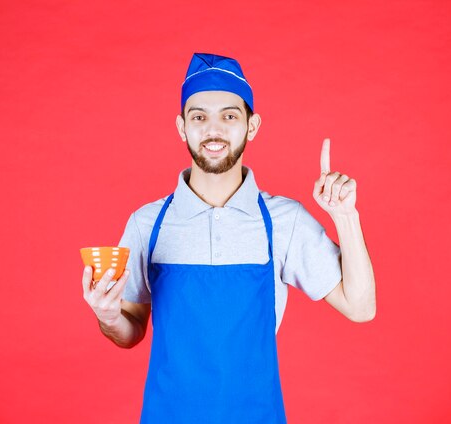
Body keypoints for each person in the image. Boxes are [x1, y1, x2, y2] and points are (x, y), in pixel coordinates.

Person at [82, 52, 376, 423]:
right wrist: (108, 317)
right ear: (181, 127)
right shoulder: (148, 223)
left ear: (252, 126)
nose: (213, 130)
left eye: (230, 116)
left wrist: (346, 216)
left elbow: (361, 307)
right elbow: (130, 331)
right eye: (199, 117)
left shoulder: (283, 221)